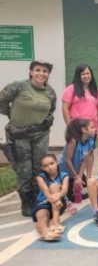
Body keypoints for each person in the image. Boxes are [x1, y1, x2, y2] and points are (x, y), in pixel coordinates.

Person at [0, 60, 56, 216]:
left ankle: (38, 197)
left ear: (48, 74)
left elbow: (51, 109)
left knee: (40, 167)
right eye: (37, 70)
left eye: (45, 71)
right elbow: (2, 100)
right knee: (23, 169)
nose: (41, 73)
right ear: (31, 72)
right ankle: (26, 203)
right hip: (19, 135)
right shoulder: (18, 86)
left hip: (40, 135)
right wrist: (11, 115)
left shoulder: (50, 92)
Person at [32, 154, 68, 242]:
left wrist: (56, 199)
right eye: (45, 166)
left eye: (52, 163)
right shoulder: (40, 177)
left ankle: (56, 222)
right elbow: (46, 192)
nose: (50, 167)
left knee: (54, 186)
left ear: (57, 162)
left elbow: (64, 190)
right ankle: (46, 233)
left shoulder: (64, 175)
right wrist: (54, 199)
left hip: (59, 205)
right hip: (43, 202)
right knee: (42, 217)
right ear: (42, 168)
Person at [59, 118, 96, 202]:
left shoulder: (91, 141)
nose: (95, 129)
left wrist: (79, 177)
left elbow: (84, 162)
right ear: (84, 130)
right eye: (92, 127)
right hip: (65, 173)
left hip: (76, 173)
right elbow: (67, 160)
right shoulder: (73, 141)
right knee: (70, 198)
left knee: (86, 193)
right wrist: (75, 177)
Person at [62, 64, 98, 134]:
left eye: (88, 73)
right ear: (78, 76)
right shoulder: (71, 89)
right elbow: (65, 108)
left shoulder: (96, 91)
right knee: (75, 145)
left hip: (92, 127)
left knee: (90, 145)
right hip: (77, 127)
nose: (86, 76)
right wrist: (69, 126)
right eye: (83, 74)